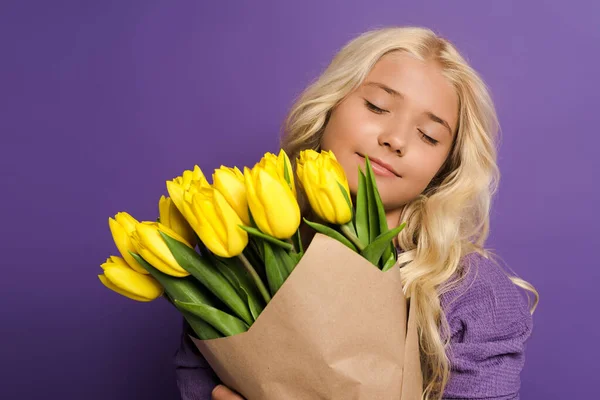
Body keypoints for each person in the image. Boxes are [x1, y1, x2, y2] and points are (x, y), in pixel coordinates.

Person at [174, 26, 539, 400]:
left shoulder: (474, 295)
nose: (395, 139)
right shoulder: (237, 264)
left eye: (428, 135)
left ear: (444, 168)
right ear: (330, 104)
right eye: (377, 107)